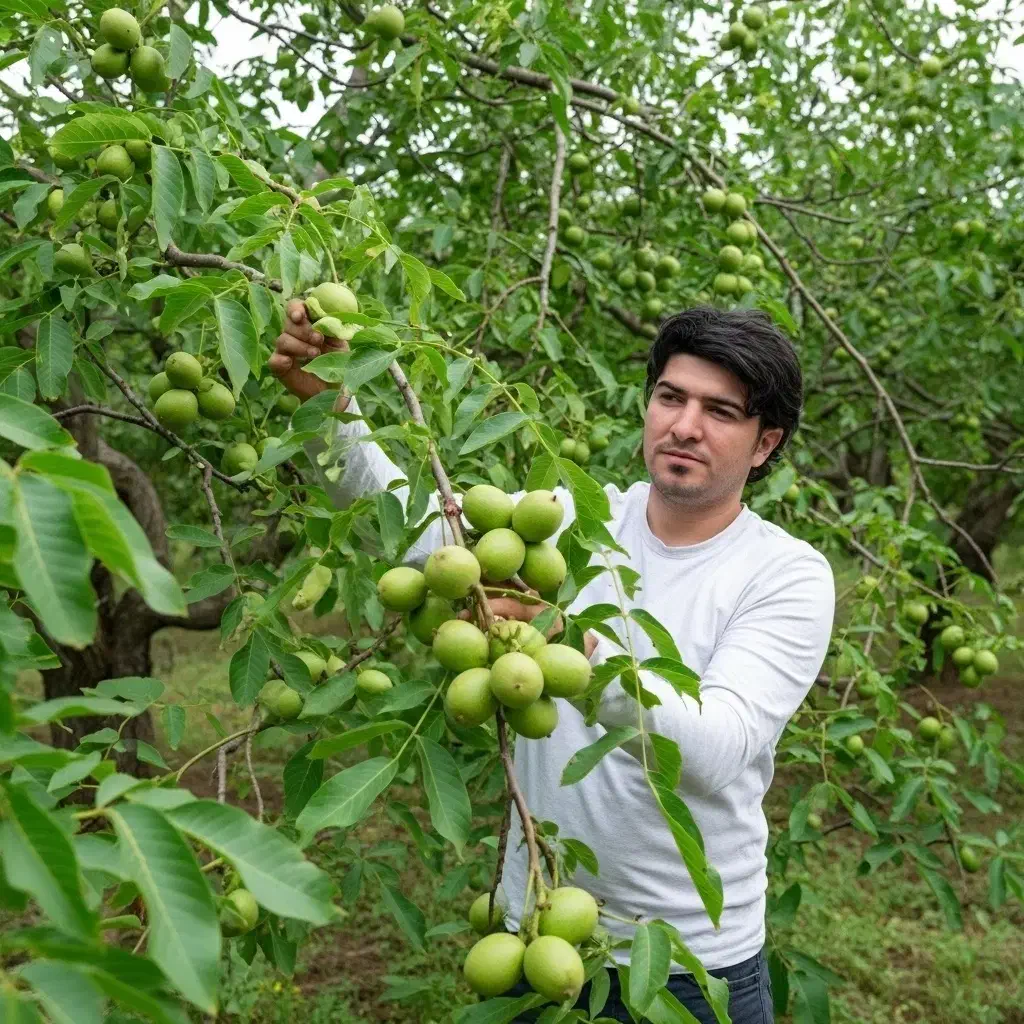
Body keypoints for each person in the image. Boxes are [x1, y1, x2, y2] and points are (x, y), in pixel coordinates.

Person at [270, 303, 835, 1024]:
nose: (685, 426)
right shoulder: (573, 518)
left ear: (765, 444)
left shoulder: (786, 574)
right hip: (535, 931)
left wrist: (572, 642)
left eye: (720, 411)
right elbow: (434, 547)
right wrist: (329, 406)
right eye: (670, 397)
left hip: (686, 970)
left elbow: (714, 750)